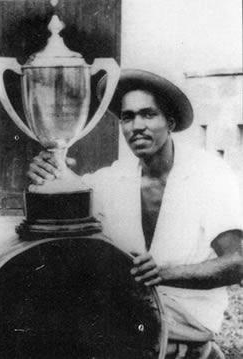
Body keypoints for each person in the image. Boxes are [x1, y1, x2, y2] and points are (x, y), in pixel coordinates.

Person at [27, 69, 243, 358]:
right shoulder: (115, 179)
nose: (136, 126)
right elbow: (68, 196)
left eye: (148, 114)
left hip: (187, 321)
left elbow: (237, 261)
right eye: (127, 117)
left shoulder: (207, 173)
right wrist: (48, 170)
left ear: (170, 121)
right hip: (133, 316)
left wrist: (164, 274)